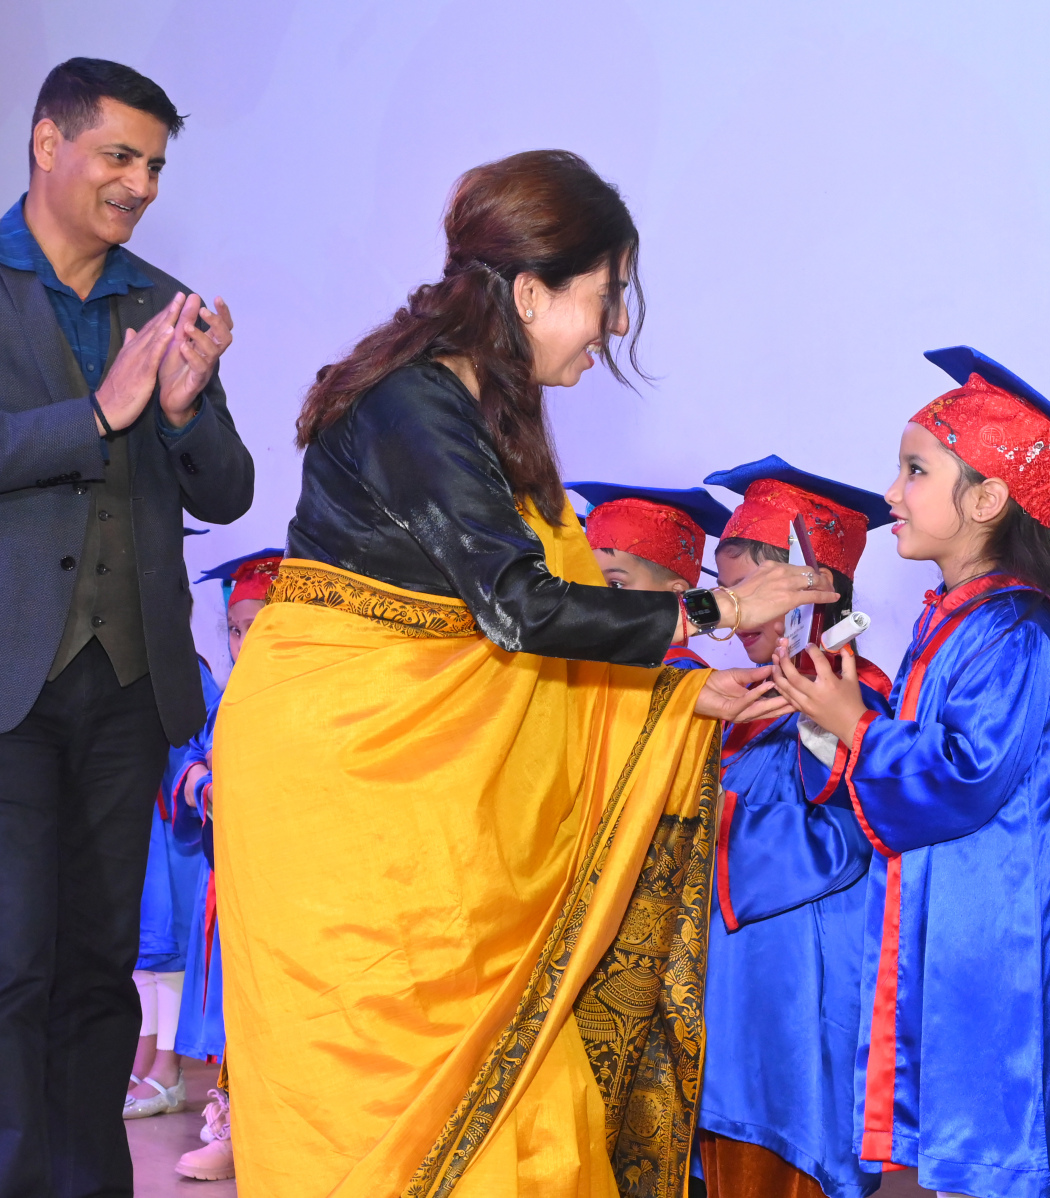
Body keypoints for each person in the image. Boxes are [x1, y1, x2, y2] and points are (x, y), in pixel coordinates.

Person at [215, 149, 828, 1198]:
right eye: (608, 293)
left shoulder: (486, 411)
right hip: (354, 805)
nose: (616, 325)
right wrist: (723, 609)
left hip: (425, 800)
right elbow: (519, 610)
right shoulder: (415, 405)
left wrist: (680, 695)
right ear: (532, 292)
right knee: (381, 1104)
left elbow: (522, 634)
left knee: (527, 1095)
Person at [0, 56, 253, 1198]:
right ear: (47, 143)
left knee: (96, 965)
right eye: (120, 155)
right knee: (5, 966)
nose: (142, 185)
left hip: (125, 680)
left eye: (156, 165)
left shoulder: (163, 300)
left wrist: (180, 411)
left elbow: (227, 490)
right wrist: (94, 414)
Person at [774, 347, 1050, 1198]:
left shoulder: (1013, 630)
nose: (891, 494)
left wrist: (856, 726)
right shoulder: (954, 620)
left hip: (1003, 939)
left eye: (914, 471)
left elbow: (963, 775)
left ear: (986, 499)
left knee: (1015, 1140)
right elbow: (921, 751)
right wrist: (834, 718)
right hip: (962, 926)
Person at [688, 459, 895, 1198]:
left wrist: (698, 825)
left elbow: (840, 840)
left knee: (784, 1148)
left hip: (798, 977)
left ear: (811, 591)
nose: (731, 611)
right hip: (736, 980)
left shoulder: (853, 697)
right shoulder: (747, 697)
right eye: (725, 591)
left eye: (747, 590)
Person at [170, 549, 278, 1183]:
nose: (242, 642)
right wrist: (200, 779)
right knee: (233, 1001)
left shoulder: (302, 696)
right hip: (228, 875)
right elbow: (189, 754)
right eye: (234, 629)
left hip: (280, 881)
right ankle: (235, 1124)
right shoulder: (228, 699)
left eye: (257, 626)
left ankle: (266, 1130)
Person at [122, 650, 221, 1121]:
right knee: (141, 953)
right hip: (136, 824)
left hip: (175, 828)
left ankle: (168, 1068)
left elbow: (199, 746)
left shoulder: (185, 669)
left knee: (172, 949)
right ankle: (142, 1062)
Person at [568, 481, 731, 668]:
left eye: (616, 584)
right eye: (590, 581)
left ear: (676, 594)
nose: (595, 596)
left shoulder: (682, 673)